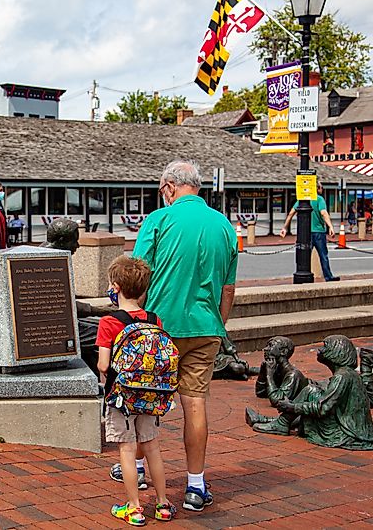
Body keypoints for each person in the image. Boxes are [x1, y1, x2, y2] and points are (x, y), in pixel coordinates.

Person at [132, 159, 237, 512]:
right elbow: (228, 289)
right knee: (195, 404)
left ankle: (136, 469)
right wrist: (218, 328)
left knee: (144, 400)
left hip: (161, 327)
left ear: (169, 188)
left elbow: (137, 279)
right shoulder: (224, 226)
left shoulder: (159, 220)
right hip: (206, 327)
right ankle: (195, 485)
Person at [96, 256, 175, 525]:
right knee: (152, 447)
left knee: (127, 451)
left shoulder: (109, 322)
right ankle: (163, 504)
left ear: (115, 287)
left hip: (122, 396)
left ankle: (133, 506)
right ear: (143, 290)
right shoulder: (155, 320)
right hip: (152, 395)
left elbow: (104, 364)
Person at [279, 182, 340, 282]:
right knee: (323, 255)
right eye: (321, 187)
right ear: (317, 188)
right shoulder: (319, 199)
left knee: (304, 255)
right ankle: (328, 277)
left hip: (305, 233)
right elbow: (323, 213)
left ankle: (302, 274)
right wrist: (331, 227)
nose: (322, 189)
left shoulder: (302, 200)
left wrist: (285, 228)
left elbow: (291, 213)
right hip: (319, 232)